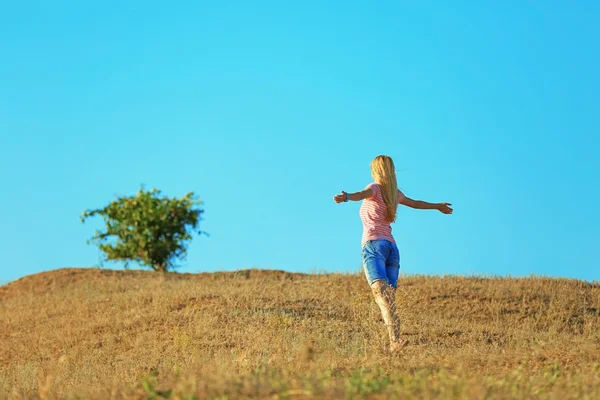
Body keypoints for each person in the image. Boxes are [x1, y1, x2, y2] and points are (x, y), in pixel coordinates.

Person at [333, 155, 453, 353]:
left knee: (381, 296)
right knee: (387, 298)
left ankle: (395, 341)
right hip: (392, 249)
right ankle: (394, 341)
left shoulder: (375, 188)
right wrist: (437, 206)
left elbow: (360, 194)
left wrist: (346, 197)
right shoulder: (394, 193)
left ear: (376, 171)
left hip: (374, 245)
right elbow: (416, 203)